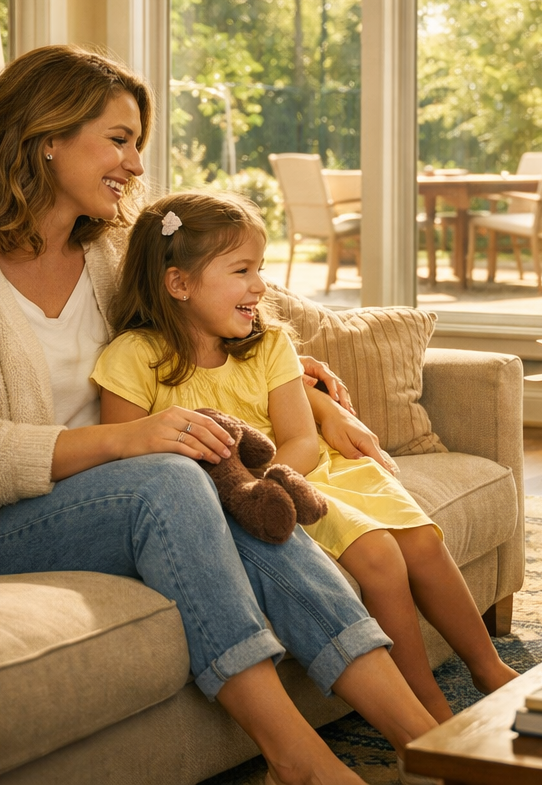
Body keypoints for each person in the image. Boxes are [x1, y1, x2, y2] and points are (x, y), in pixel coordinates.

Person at [0, 44, 439, 785]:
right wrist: (127, 440)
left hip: (129, 488)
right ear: (47, 139)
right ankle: (298, 760)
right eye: (119, 139)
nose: (137, 164)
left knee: (252, 504)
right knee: (172, 479)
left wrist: (304, 381)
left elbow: (223, 300)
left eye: (136, 142)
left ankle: (427, 743)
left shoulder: (108, 250)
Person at [92, 191, 518, 723]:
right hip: (255, 502)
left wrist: (271, 476)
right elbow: (125, 459)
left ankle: (488, 667)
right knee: (381, 557)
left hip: (303, 473)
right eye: (242, 270)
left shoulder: (270, 345)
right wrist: (246, 493)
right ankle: (426, 707)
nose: (259, 286)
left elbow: (302, 439)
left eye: (260, 268)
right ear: (178, 283)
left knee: (424, 542)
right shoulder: (132, 359)